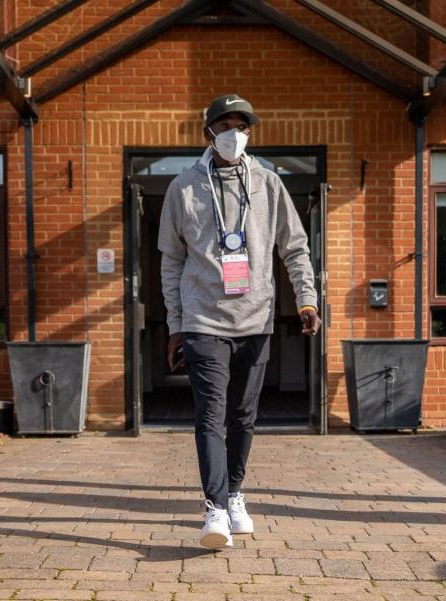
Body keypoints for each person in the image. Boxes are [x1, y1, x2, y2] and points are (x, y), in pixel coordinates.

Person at [158, 93, 321, 549]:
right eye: (226, 124)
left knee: (244, 416)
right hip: (203, 320)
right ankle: (213, 509)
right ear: (208, 131)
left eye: (243, 125)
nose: (235, 133)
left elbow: (294, 247)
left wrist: (306, 300)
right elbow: (170, 262)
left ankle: (234, 495)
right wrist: (175, 323)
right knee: (211, 414)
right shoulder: (183, 188)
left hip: (256, 319)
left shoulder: (269, 184)